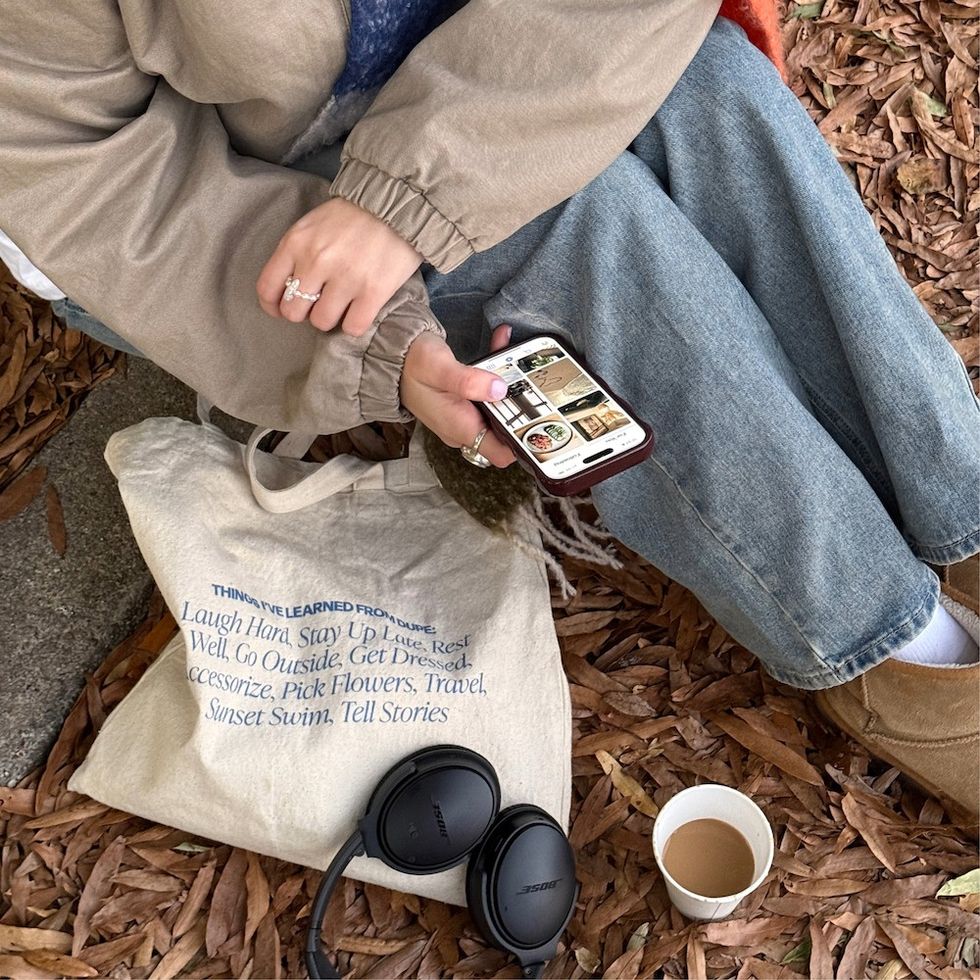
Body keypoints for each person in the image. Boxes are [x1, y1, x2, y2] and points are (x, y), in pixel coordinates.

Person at [1, 0, 977, 822]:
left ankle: (955, 502)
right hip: (249, 201)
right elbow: (77, 168)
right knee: (578, 236)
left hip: (542, 43)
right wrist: (373, 324)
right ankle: (873, 635)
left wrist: (414, 193)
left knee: (711, 93)